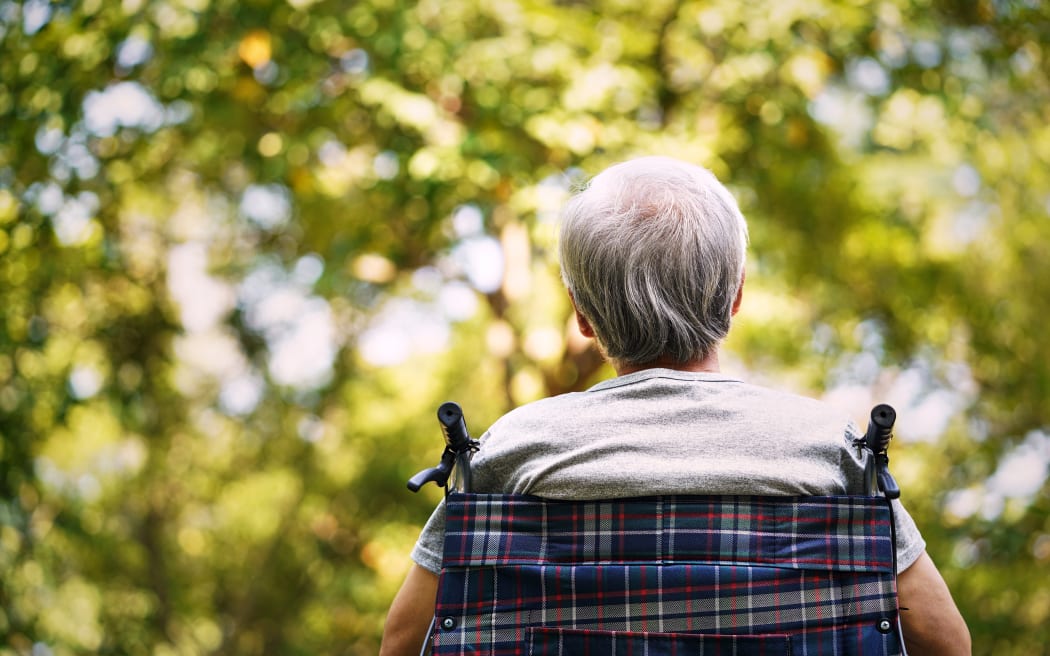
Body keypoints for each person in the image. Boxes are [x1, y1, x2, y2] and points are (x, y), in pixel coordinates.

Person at [380, 156, 971, 656]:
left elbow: (404, 639)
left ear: (581, 314)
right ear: (737, 294)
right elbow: (944, 641)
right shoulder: (829, 449)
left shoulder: (513, 450)